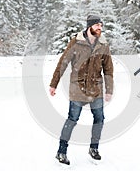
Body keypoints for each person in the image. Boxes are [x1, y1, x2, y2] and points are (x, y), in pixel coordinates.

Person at [49, 15, 114, 165]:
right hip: (78, 89)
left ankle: (94, 148)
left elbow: (108, 69)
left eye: (101, 25)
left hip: (96, 89)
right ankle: (61, 151)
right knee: (72, 119)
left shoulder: (103, 44)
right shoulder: (77, 42)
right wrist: (54, 84)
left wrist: (109, 90)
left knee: (99, 119)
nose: (100, 28)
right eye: (97, 25)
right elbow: (63, 63)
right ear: (89, 26)